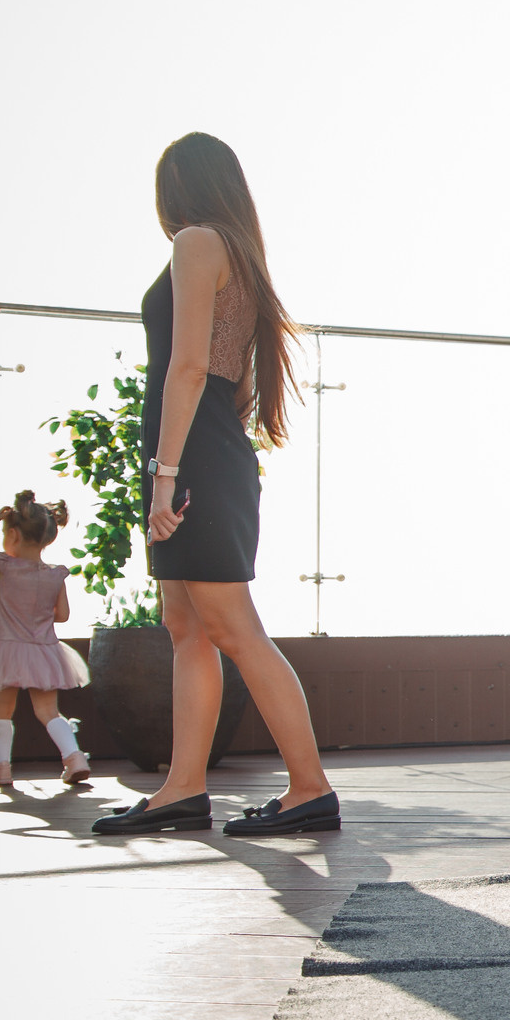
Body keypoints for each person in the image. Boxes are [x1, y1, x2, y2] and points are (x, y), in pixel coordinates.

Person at [93, 133, 338, 838]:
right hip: (205, 450)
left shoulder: (197, 242)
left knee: (231, 627)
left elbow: (190, 368)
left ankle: (310, 788)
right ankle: (182, 788)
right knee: (185, 626)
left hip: (193, 456)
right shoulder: (239, 254)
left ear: (179, 188)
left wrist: (166, 475)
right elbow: (233, 381)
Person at [0, 491, 91, 788]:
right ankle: (75, 758)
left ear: (13, 535)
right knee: (49, 711)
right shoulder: (56, 575)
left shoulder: (4, 565)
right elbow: (63, 615)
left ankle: (1, 768)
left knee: (1, 710)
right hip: (43, 651)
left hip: (5, 650)